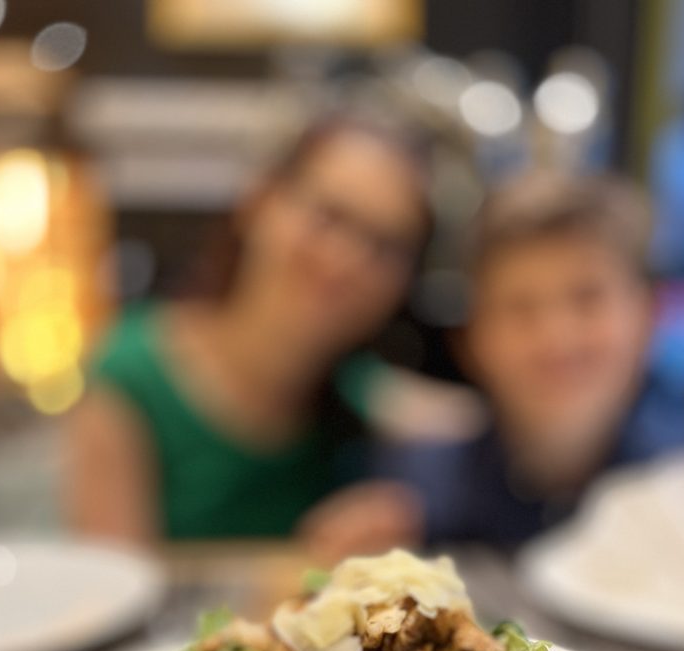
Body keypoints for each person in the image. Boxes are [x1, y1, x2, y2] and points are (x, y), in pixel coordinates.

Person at [64, 115, 432, 555]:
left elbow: (463, 421)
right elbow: (112, 581)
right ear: (260, 201)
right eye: (329, 217)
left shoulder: (360, 394)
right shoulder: (131, 375)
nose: (347, 259)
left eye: (385, 246)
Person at [424, 171, 684, 546]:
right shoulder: (416, 495)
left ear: (648, 314)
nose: (557, 338)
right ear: (471, 340)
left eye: (587, 297)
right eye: (520, 307)